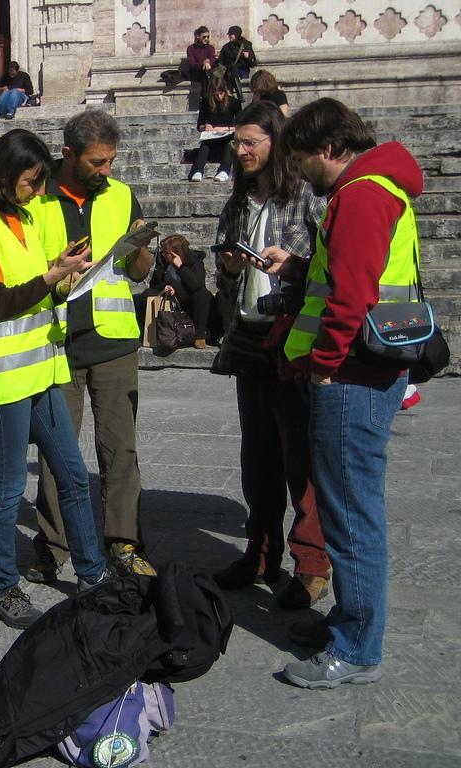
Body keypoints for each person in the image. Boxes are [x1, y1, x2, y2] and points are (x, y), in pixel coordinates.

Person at [268, 98, 421, 688]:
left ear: (330, 148)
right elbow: (360, 273)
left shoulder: (359, 196)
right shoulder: (381, 188)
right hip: (372, 367)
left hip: (352, 375)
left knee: (351, 514)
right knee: (351, 506)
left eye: (304, 159)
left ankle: (357, 648)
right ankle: (350, 621)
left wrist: (325, 363)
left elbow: (352, 295)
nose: (302, 172)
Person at [0, 128, 108, 629]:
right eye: (30, 182)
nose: (39, 191)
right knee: (8, 487)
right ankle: (2, 586)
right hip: (1, 383)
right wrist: (50, 278)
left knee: (74, 477)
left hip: (39, 370)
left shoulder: (29, 217)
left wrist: (64, 275)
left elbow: (37, 293)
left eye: (41, 182)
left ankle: (93, 573)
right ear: (1, 178)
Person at [23, 110, 156, 584]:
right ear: (67, 155)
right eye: (97, 162)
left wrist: (144, 246)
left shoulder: (121, 196)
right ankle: (53, 546)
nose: (106, 171)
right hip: (56, 342)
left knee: (121, 449)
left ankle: (123, 542)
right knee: (58, 454)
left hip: (114, 341)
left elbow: (139, 272)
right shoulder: (38, 202)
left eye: (111, 161)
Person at [211, 101, 330, 610]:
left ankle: (312, 567)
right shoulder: (238, 202)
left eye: (250, 142)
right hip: (248, 338)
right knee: (257, 457)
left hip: (292, 341)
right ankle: (260, 554)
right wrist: (233, 264)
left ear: (275, 144)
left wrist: (296, 264)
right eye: (237, 143)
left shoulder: (304, 196)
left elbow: (331, 262)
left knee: (298, 458)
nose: (240, 152)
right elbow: (222, 270)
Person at [139, 234, 213, 349]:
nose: (163, 255)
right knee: (146, 294)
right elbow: (154, 284)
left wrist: (180, 267)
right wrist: (167, 286)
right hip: (169, 296)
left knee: (203, 295)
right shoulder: (163, 263)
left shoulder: (195, 262)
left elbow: (196, 286)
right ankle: (151, 331)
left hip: (188, 300)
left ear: (176, 253)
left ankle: (200, 335)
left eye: (166, 253)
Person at [189, 76, 241, 182]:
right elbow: (200, 125)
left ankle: (224, 170)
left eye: (221, 93)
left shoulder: (234, 102)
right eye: (216, 94)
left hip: (227, 136)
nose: (219, 97)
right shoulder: (205, 103)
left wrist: (225, 129)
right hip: (211, 137)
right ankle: (198, 171)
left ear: (225, 91)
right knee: (205, 145)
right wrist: (205, 126)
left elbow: (240, 125)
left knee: (230, 143)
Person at [219, 25, 256, 99]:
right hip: (228, 73)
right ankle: (231, 95)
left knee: (233, 70)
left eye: (231, 34)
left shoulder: (246, 45)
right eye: (229, 34)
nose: (229, 36)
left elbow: (253, 63)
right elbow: (221, 62)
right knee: (230, 72)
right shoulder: (226, 47)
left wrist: (248, 57)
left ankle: (239, 95)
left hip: (242, 71)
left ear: (236, 34)